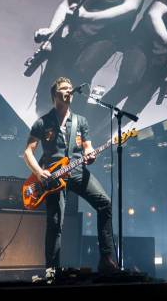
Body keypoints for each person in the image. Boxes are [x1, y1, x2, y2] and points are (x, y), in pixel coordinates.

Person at [24, 77, 117, 273]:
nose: (69, 91)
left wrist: (90, 155)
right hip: (52, 177)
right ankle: (52, 270)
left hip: (76, 170)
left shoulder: (80, 121)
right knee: (55, 223)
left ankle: (107, 258)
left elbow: (87, 147)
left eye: (70, 88)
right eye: (64, 88)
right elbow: (28, 152)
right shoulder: (42, 122)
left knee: (105, 203)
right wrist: (40, 172)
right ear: (54, 95)